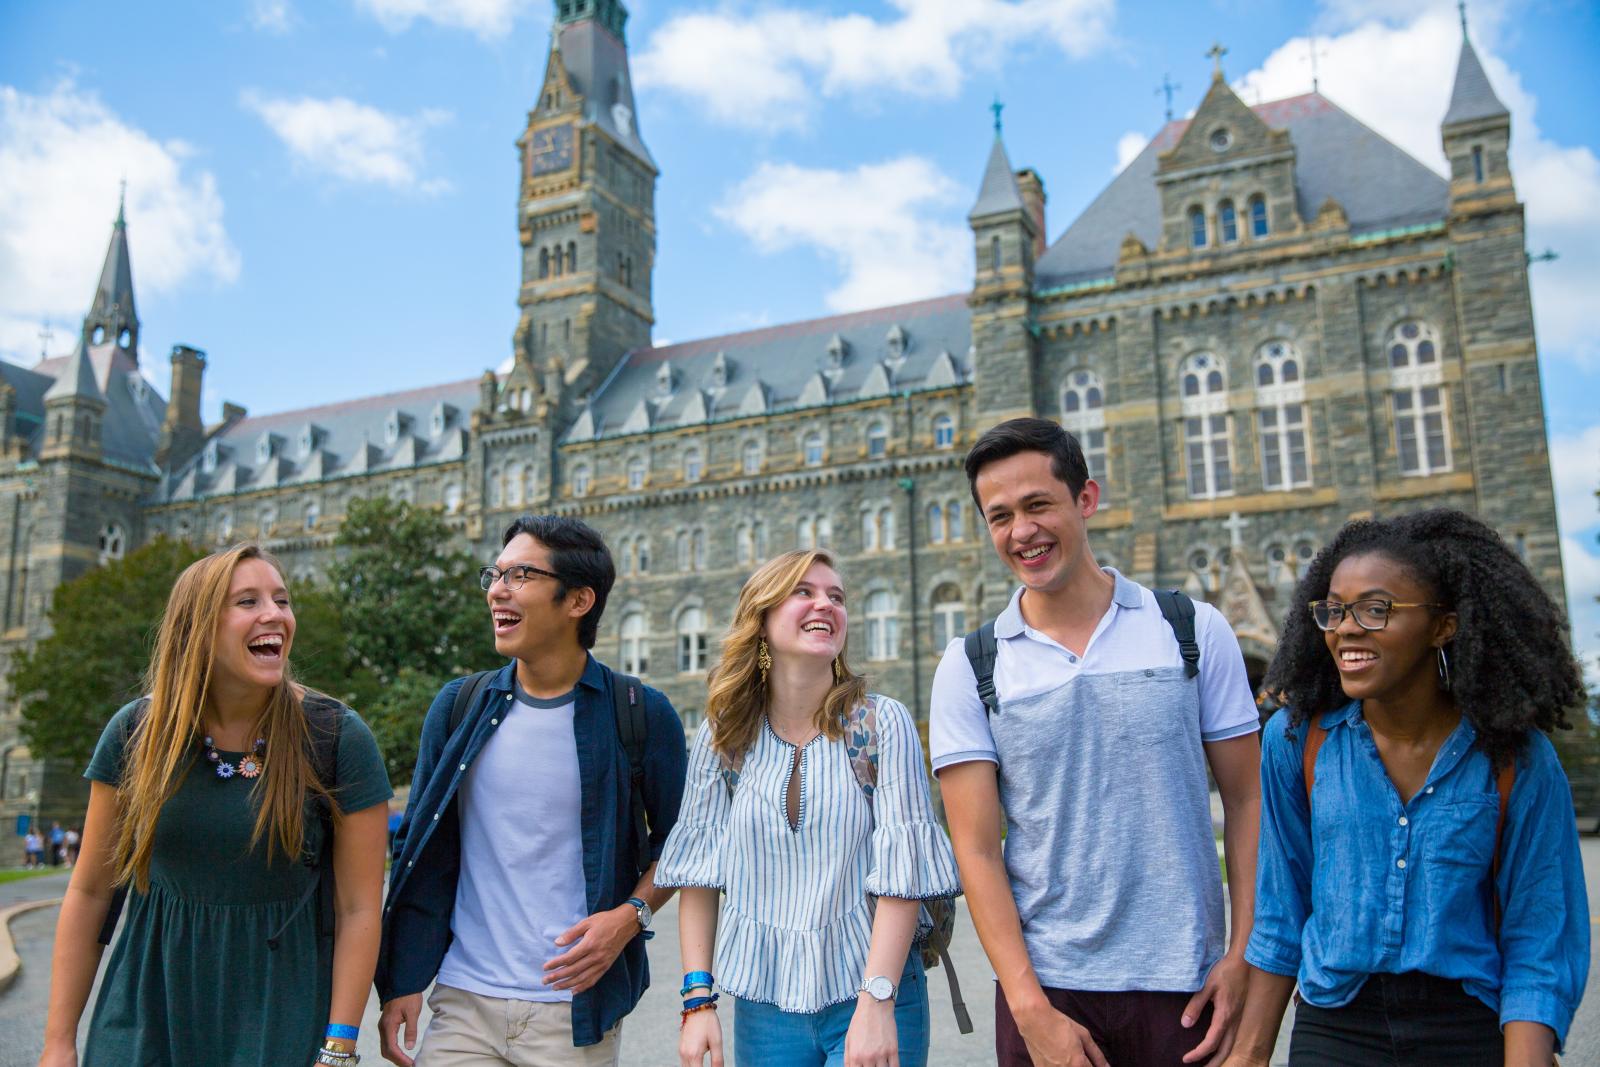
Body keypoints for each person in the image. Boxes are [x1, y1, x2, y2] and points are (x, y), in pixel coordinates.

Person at [931, 417, 1263, 1067]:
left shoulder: (1192, 629)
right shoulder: (972, 665)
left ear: (1086, 498)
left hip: (1186, 987)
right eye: (999, 516)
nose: (1021, 531)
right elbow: (976, 848)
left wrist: (1243, 953)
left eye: (1037, 504)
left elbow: (1248, 800)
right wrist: (1028, 1006)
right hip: (1051, 994)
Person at [1221, 509, 1589, 1067]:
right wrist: (1247, 1057)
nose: (1345, 628)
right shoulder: (1296, 743)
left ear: (1444, 624)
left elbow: (1538, 937)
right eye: (1335, 610)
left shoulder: (1516, 758)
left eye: (1376, 609)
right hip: (1336, 1031)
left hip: (1468, 1032)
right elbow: (1281, 913)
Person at [38, 543, 393, 1067]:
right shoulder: (137, 732)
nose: (275, 614)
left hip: (279, 1011)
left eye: (282, 599)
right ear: (198, 626)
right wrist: (58, 1042)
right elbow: (90, 891)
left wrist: (338, 1046)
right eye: (247, 602)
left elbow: (359, 909)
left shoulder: (336, 736)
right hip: (145, 1006)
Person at [377, 515, 688, 1067]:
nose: (498, 588)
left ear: (578, 601)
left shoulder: (639, 714)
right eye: (495, 574)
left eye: (521, 574)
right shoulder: (458, 708)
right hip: (464, 1004)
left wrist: (630, 917)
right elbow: (420, 853)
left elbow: (683, 844)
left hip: (572, 1015)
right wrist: (401, 980)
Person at [661, 549, 960, 1067]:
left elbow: (902, 873)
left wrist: (877, 1000)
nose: (826, 603)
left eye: (836, 596)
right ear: (762, 616)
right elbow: (700, 876)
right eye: (805, 591)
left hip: (873, 985)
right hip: (765, 1000)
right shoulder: (723, 736)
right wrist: (698, 1002)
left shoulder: (881, 724)